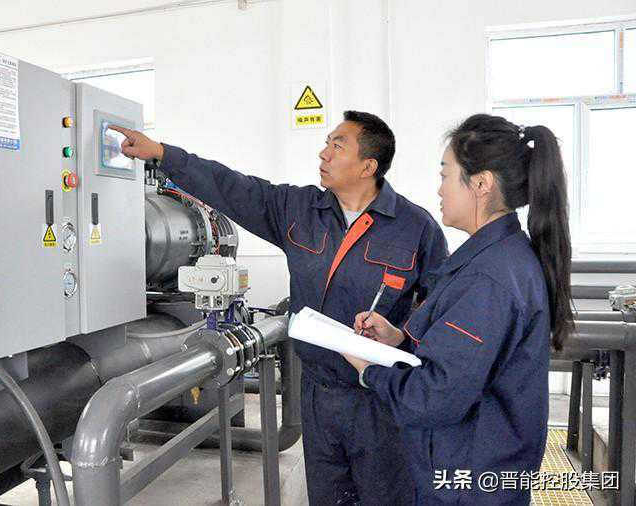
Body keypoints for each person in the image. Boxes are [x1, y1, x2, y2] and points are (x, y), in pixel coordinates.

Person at [110, 111, 448, 505]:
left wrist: (402, 334)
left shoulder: (415, 227)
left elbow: (440, 309)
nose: (324, 153)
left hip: (379, 398)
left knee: (385, 496)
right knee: (327, 496)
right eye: (327, 143)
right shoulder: (298, 209)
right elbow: (232, 187)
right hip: (317, 394)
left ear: (367, 166)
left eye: (337, 146)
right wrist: (162, 154)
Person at [344, 113, 574, 505]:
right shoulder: (496, 258)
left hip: (467, 482)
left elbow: (433, 398)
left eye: (445, 175)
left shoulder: (490, 278)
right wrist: (400, 340)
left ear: (481, 184)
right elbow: (466, 360)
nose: (439, 190)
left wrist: (370, 371)